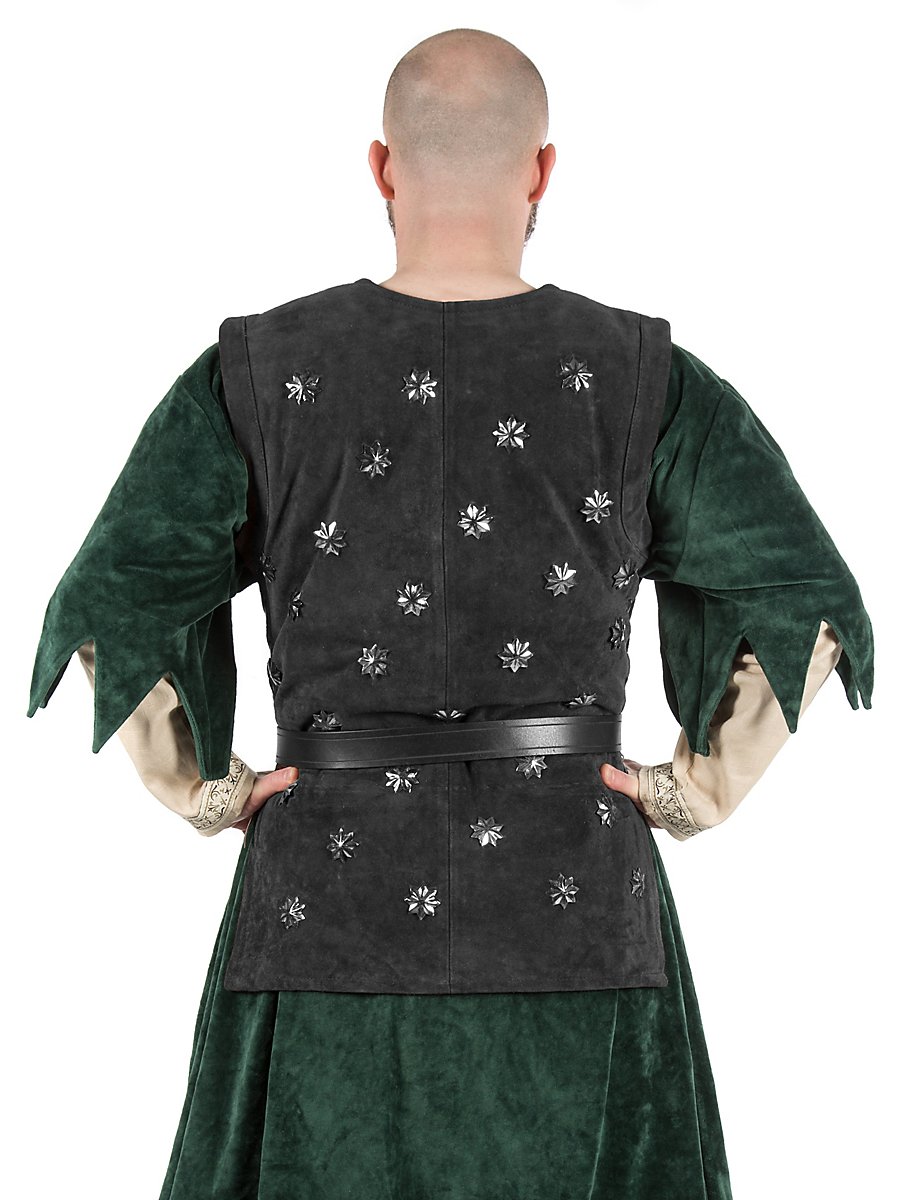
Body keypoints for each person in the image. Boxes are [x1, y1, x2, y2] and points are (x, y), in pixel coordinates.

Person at [26, 26, 874, 1200]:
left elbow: (115, 593)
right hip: (574, 903)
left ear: (381, 167)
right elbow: (800, 590)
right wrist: (697, 788)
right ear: (543, 170)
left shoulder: (259, 371)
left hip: (328, 899)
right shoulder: (642, 376)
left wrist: (208, 789)